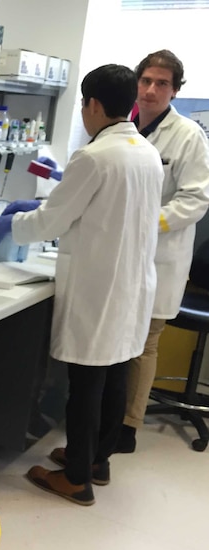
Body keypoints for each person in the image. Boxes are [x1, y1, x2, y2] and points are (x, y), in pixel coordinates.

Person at [0, 64, 163, 505]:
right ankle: (97, 461)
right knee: (114, 376)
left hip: (99, 290)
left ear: (94, 105)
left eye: (83, 104)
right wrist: (45, 202)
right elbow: (100, 206)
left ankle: (76, 479)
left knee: (86, 386)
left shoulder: (95, 156)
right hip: (130, 285)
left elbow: (50, 221)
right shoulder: (145, 151)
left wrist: (11, 222)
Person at [117, 50, 209, 453]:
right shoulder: (122, 127)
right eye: (146, 81)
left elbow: (196, 199)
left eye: (162, 83)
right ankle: (107, 416)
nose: (152, 90)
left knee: (143, 344)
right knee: (118, 339)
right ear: (137, 83)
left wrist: (146, 223)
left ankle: (127, 427)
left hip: (160, 257)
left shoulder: (188, 135)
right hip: (120, 255)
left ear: (175, 90)